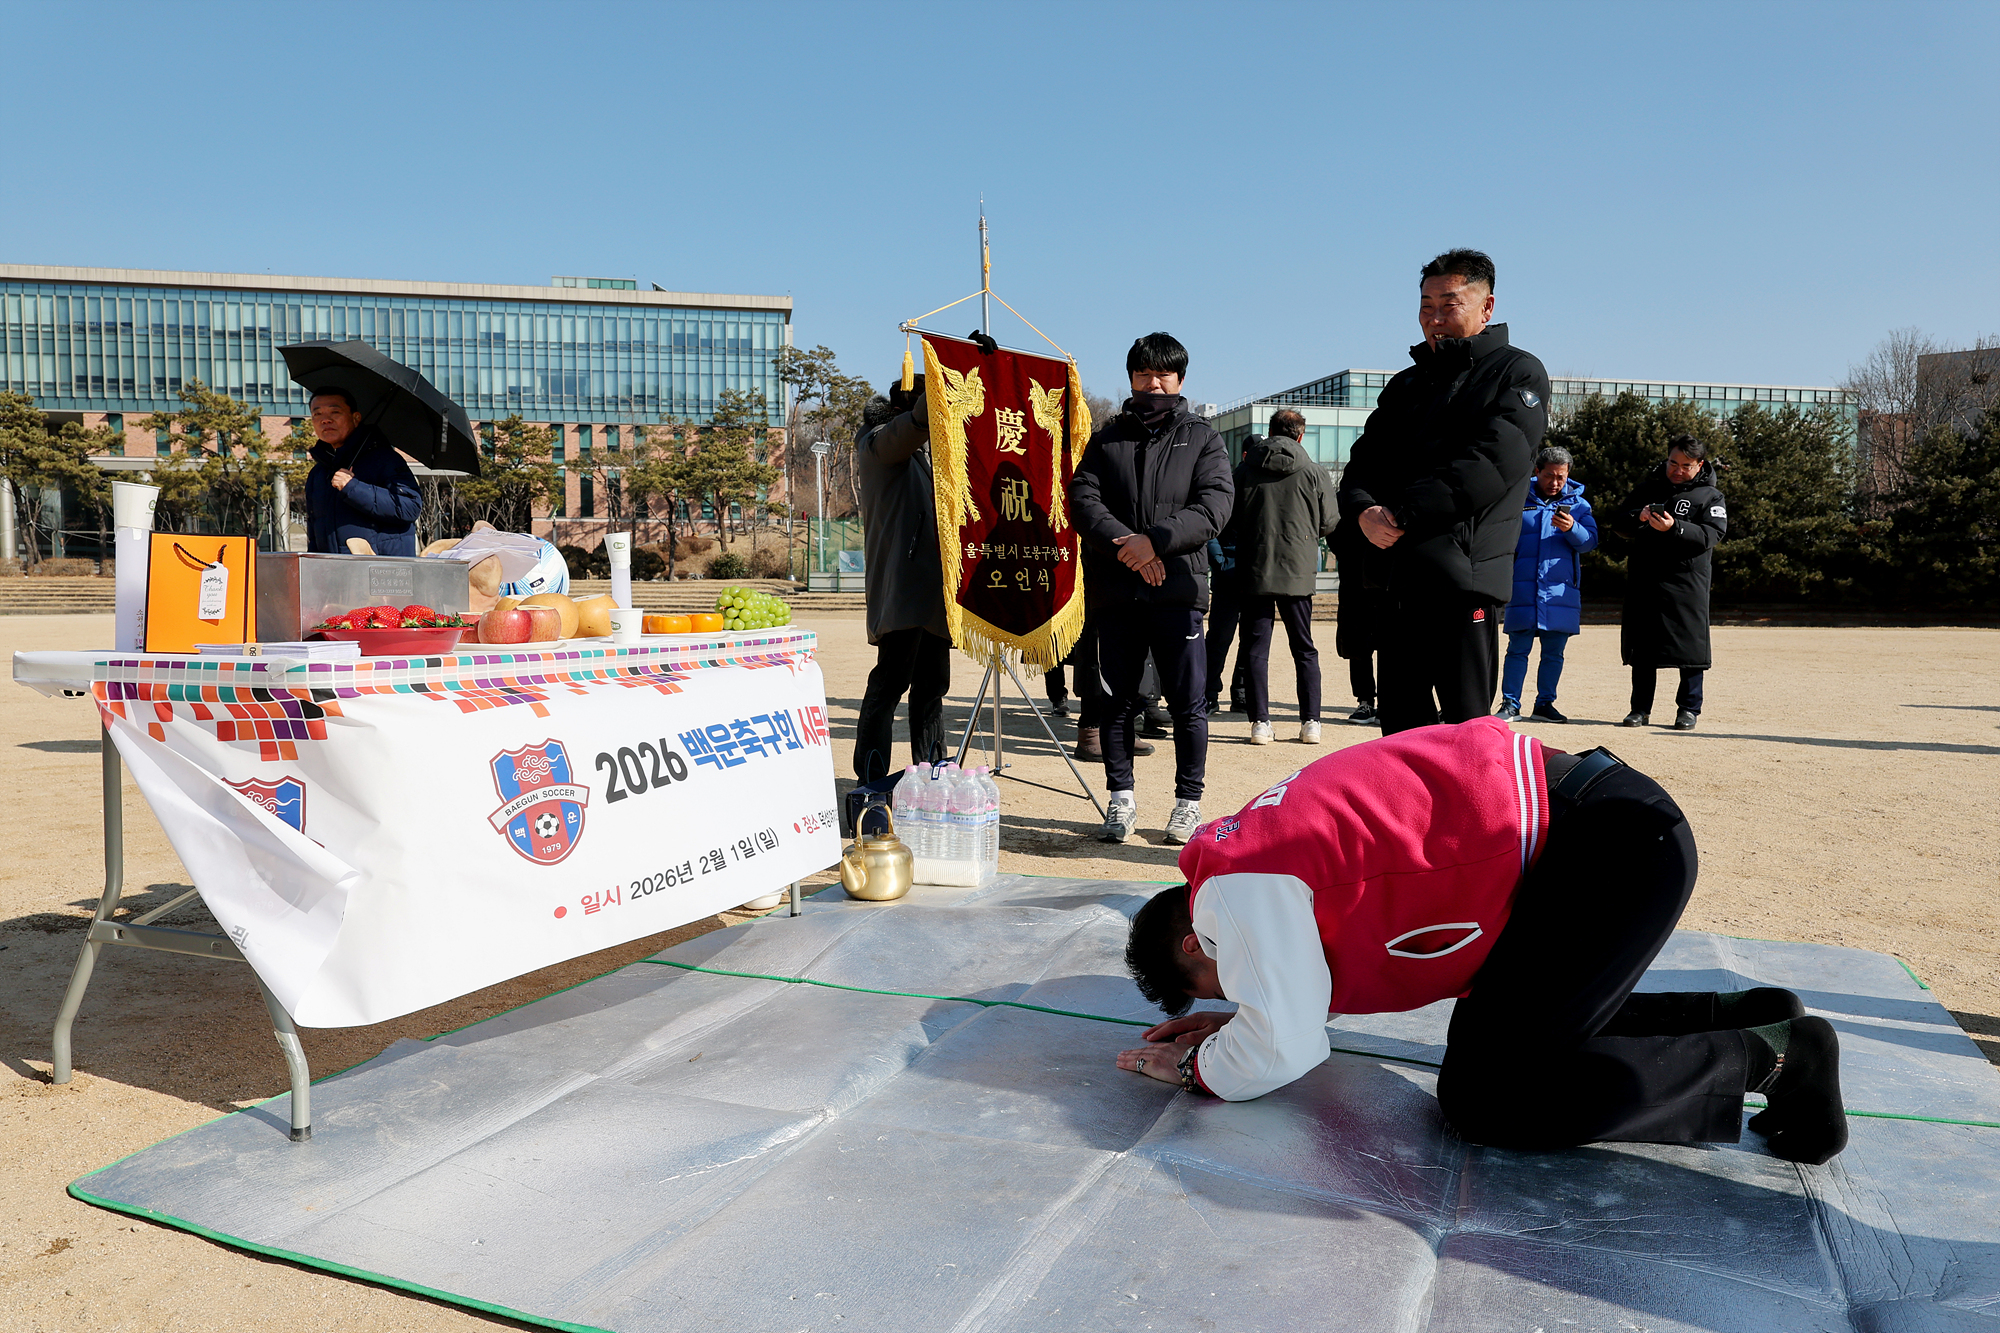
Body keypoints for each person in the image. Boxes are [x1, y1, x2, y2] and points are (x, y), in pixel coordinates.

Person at [1114, 717, 1849, 1165]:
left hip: (1609, 850)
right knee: (1507, 1039)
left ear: (1192, 941)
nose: (1242, 985)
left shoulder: (1232, 888)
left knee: (1488, 1094)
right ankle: (1747, 1016)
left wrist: (1199, 1067)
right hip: (1605, 832)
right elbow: (1292, 987)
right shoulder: (1256, 845)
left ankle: (1776, 1056)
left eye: (1225, 981)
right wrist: (1249, 1012)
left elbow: (1284, 1043)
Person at [1335, 249, 1549, 735]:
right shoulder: (1406, 384)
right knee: (1400, 730)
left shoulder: (1516, 373)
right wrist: (1364, 509)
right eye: (1426, 305)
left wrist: (1402, 513)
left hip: (1462, 575)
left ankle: (1476, 814)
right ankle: (1406, 815)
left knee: (1467, 724)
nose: (1434, 318)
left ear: (1486, 307)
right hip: (1397, 575)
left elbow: (1491, 463)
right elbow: (1364, 460)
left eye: (1449, 305)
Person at [1069, 333, 1234, 846]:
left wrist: (1156, 544)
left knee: (1188, 704)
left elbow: (1215, 506)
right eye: (1144, 374)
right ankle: (1120, 800)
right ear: (1132, 379)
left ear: (1180, 380)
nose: (1153, 383)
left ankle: (1187, 803)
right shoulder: (1107, 438)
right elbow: (1082, 497)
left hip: (1178, 590)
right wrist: (1129, 548)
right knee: (1117, 701)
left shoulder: (1203, 438)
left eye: (1163, 374)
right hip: (1117, 592)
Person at [852, 375, 950, 782]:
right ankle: (870, 779)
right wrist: (946, 374)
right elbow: (911, 427)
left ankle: (932, 777)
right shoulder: (877, 441)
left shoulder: (928, 454)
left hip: (933, 589)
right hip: (903, 586)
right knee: (890, 683)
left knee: (931, 690)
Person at [1228, 408, 1339, 744]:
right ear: (1300, 435)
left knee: (1256, 648)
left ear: (1271, 431)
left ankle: (1260, 722)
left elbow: (1228, 517)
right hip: (1297, 568)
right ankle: (1311, 722)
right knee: (1304, 648)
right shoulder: (1314, 472)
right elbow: (1329, 522)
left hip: (1255, 567)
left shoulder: (1244, 470)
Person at [1614, 435, 1727, 731]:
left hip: (1687, 582)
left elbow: (1711, 535)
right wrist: (1638, 517)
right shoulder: (1647, 488)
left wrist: (1674, 527)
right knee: (1643, 648)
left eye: (1685, 466)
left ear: (1699, 465)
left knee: (1691, 649)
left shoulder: (1710, 496)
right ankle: (1639, 709)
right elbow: (1618, 524)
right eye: (1672, 463)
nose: (1677, 470)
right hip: (1645, 579)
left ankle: (1688, 709)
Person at [1496, 445, 1598, 722]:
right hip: (1522, 587)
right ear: (1537, 471)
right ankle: (1510, 704)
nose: (1555, 483)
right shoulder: (1517, 497)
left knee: (1554, 653)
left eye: (1561, 477)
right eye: (1549, 476)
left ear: (1568, 475)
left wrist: (1571, 528)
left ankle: (1545, 704)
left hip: (1559, 590)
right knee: (1517, 649)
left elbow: (1590, 542)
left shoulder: (1579, 504)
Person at [304, 387, 422, 556]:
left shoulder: (385, 459)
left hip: (381, 572)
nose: (325, 420)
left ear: (356, 418)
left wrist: (353, 487)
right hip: (334, 573)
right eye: (317, 414)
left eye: (335, 412)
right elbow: (314, 533)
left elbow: (410, 507)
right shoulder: (318, 473)